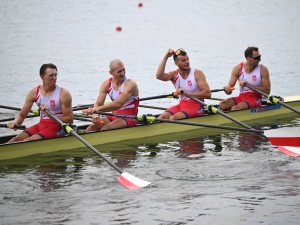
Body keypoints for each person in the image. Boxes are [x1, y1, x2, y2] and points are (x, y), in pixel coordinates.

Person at [7, 63, 73, 143]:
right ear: (42, 76)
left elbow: (69, 120)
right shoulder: (34, 92)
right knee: (15, 140)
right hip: (41, 125)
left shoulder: (63, 94)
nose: (54, 78)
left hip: (58, 127)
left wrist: (49, 115)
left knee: (27, 141)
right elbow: (22, 115)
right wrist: (15, 122)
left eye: (55, 75)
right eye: (51, 75)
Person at [155, 48, 211, 120]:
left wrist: (187, 93)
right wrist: (166, 57)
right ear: (176, 63)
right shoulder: (174, 74)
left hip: (197, 106)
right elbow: (159, 76)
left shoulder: (197, 73)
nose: (187, 62)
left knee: (173, 118)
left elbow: (208, 94)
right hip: (182, 105)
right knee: (161, 117)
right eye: (183, 60)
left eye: (187, 59)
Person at [85, 59, 139, 131]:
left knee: (105, 128)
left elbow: (119, 103)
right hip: (114, 116)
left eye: (123, 70)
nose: (123, 73)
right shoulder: (106, 84)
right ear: (111, 73)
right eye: (119, 71)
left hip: (129, 117)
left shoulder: (130, 84)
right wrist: (96, 115)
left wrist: (96, 109)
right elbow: (98, 103)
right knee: (92, 127)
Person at [219, 46, 271, 111]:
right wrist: (227, 89)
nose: (260, 60)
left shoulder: (263, 69)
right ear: (249, 58)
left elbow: (267, 91)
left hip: (255, 98)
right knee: (222, 105)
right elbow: (229, 90)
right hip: (241, 97)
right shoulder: (238, 68)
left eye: (260, 57)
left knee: (235, 108)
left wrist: (248, 85)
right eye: (257, 58)